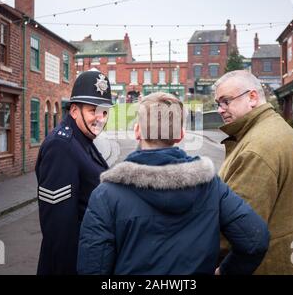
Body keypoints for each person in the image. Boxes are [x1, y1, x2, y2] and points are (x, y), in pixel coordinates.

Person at [77, 92, 270, 275]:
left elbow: (92, 266)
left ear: (137, 131)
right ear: (180, 135)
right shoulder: (211, 186)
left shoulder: (106, 194)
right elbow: (255, 240)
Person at [214, 70, 293, 274]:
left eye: (226, 101)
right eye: (218, 103)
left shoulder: (256, 148)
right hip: (288, 260)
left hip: (266, 265)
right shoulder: (276, 128)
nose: (220, 109)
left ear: (252, 97)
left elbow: (238, 228)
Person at [36, 70, 113, 275]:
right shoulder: (61, 146)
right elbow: (58, 228)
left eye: (104, 112)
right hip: (70, 264)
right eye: (92, 111)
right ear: (74, 111)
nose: (100, 118)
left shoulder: (82, 139)